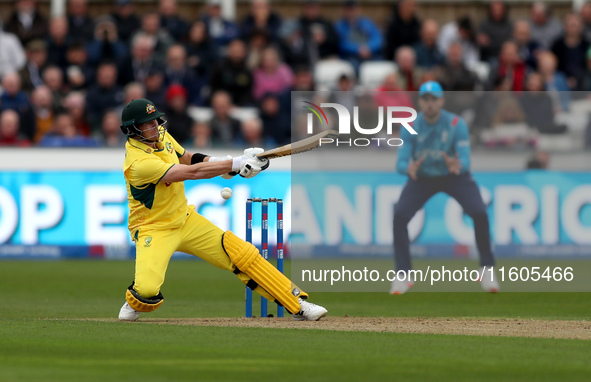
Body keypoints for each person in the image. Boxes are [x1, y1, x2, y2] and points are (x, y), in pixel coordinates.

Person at [116, 98, 328, 321]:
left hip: (185, 219)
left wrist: (222, 162)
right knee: (147, 292)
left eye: (156, 120)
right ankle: (135, 298)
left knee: (242, 254)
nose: (156, 126)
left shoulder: (161, 137)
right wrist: (234, 164)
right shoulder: (138, 163)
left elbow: (187, 158)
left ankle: (297, 304)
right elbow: (192, 172)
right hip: (154, 228)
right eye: (148, 123)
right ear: (132, 130)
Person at [391, 81, 498, 294]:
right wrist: (408, 169)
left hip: (454, 176)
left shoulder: (456, 124)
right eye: (426, 99)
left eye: (434, 99)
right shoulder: (410, 126)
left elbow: (465, 161)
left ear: (442, 101)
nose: (430, 104)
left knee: (479, 212)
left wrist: (455, 165)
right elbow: (400, 163)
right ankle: (402, 273)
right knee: (400, 215)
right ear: (420, 102)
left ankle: (487, 268)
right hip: (422, 177)